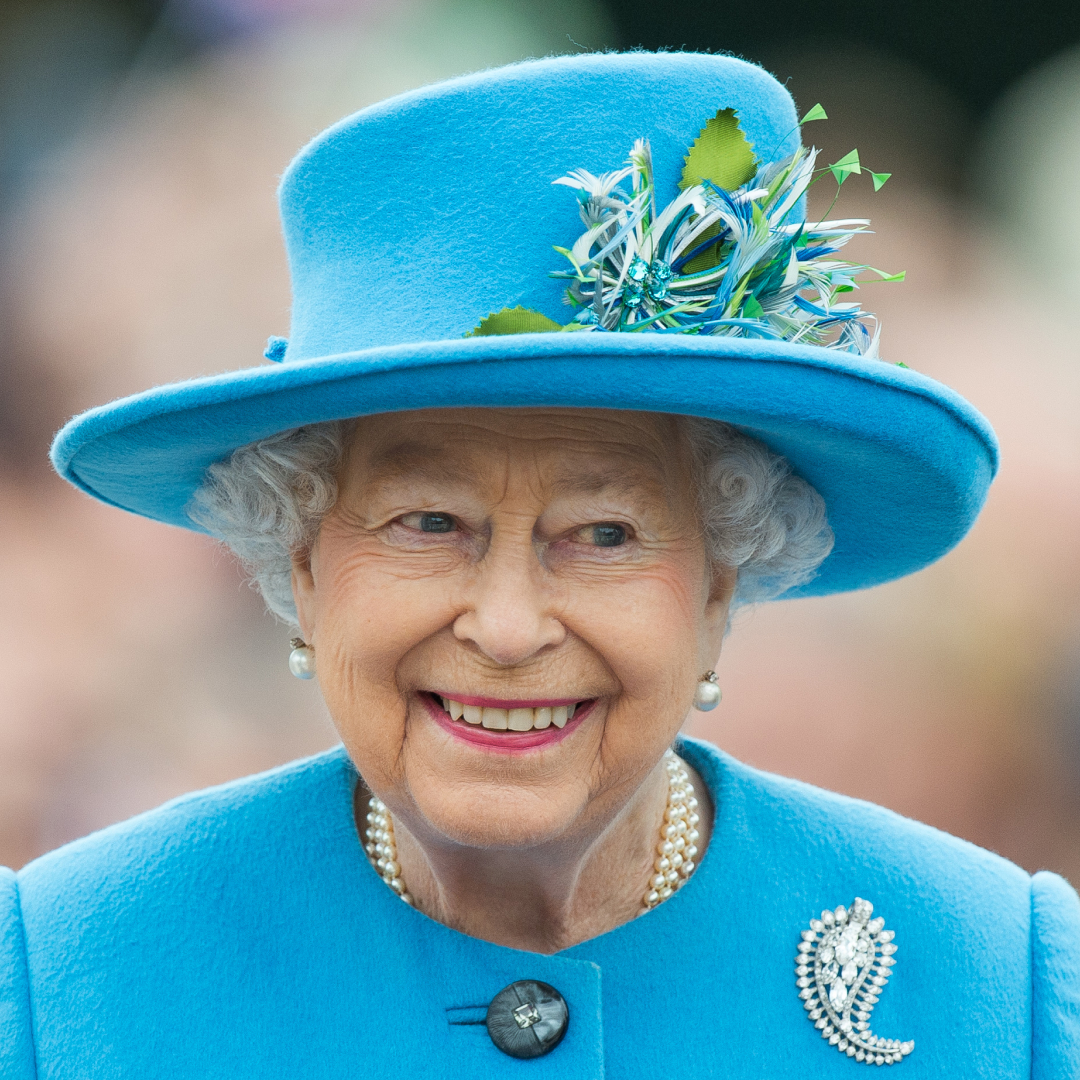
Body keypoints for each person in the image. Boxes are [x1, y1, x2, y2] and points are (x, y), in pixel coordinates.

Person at [3, 50, 1077, 1078]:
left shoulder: (995, 981)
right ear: (303, 563)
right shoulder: (69, 977)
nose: (509, 628)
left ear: (718, 583)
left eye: (604, 535)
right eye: (428, 522)